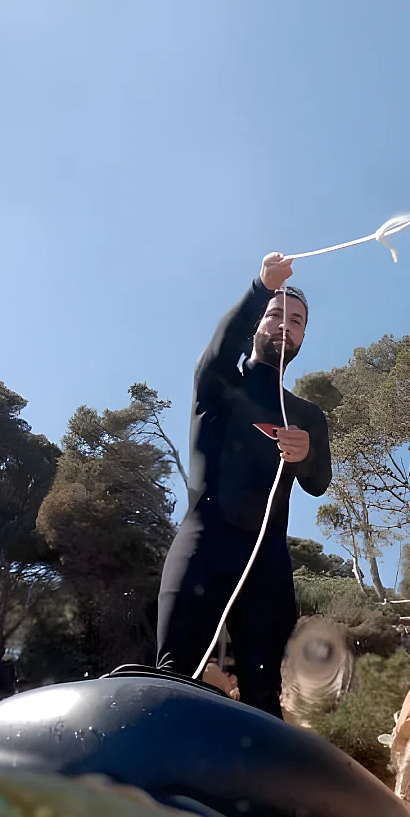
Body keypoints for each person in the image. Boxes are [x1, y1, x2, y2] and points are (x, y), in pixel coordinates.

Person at [155, 252, 332, 719]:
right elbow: (219, 347)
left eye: (296, 321)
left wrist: (306, 454)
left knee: (263, 694)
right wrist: (261, 287)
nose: (284, 325)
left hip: (267, 560)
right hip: (203, 544)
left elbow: (319, 483)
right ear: (257, 321)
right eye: (275, 315)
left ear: (303, 337)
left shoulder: (308, 416)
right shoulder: (216, 385)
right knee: (174, 673)